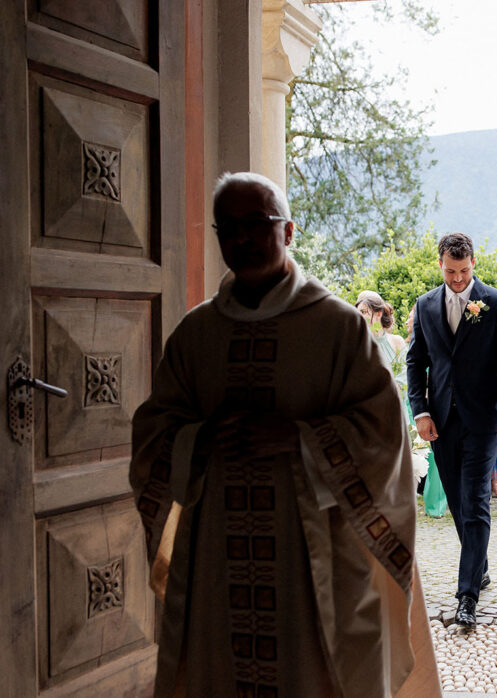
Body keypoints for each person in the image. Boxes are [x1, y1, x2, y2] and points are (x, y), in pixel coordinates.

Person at [129, 172, 439, 697]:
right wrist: (198, 441)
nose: (243, 238)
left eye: (257, 223)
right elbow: (155, 431)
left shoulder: (338, 328)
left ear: (289, 230)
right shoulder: (196, 335)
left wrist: (299, 439)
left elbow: (384, 434)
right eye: (229, 227)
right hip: (218, 552)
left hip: (314, 549)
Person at [405, 232, 497, 627]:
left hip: (483, 419)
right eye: (450, 271)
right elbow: (415, 362)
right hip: (441, 419)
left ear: (473, 263)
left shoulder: (496, 303)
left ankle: (467, 596)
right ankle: (481, 565)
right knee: (458, 502)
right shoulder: (425, 305)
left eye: (464, 271)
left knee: (475, 499)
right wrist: (420, 411)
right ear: (440, 264)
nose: (458, 279)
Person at [404, 306, 448, 518]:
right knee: (413, 454)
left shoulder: (434, 342)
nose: (413, 322)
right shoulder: (399, 345)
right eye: (412, 319)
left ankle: (435, 506)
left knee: (434, 458)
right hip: (406, 403)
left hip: (431, 403)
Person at [356, 290, 407, 371]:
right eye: (358, 312)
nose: (359, 316)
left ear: (379, 314)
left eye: (364, 312)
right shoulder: (357, 344)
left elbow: (404, 374)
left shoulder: (397, 341)